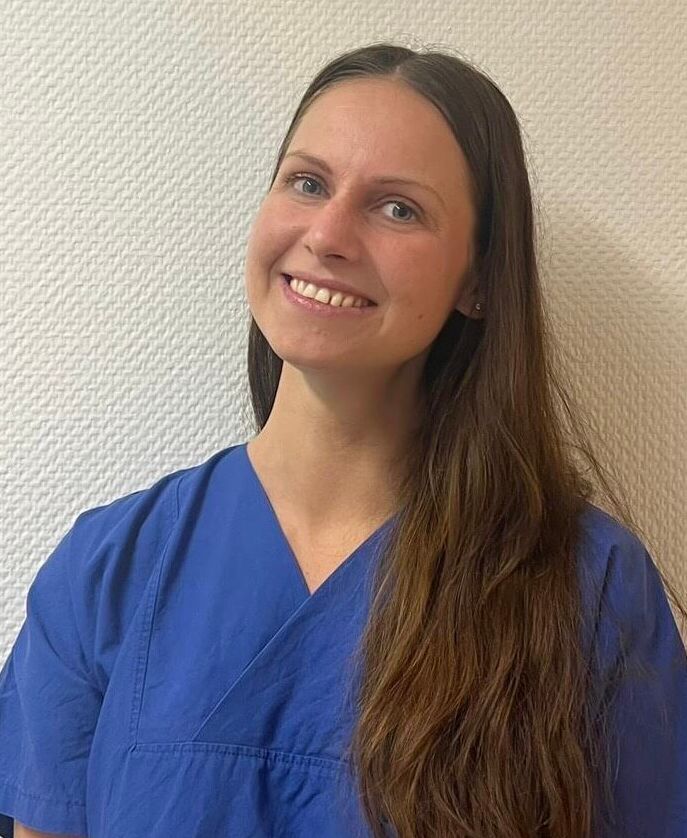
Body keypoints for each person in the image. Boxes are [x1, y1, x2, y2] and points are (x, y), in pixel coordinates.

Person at [1, 42, 686, 838]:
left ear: (476, 281)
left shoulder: (586, 590)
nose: (326, 234)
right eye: (307, 183)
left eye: (397, 209)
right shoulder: (106, 572)